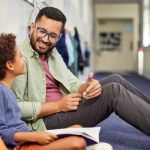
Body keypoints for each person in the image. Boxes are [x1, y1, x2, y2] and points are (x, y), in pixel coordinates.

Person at [11, 7, 150, 137]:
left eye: (53, 36)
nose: (46, 40)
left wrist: (88, 87)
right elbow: (15, 108)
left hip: (67, 105)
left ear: (59, 36)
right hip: (45, 122)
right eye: (42, 31)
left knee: (116, 79)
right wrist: (58, 105)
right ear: (33, 27)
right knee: (113, 91)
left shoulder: (52, 53)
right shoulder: (18, 57)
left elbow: (71, 82)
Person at [0, 33, 87, 150]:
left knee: (78, 129)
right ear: (10, 65)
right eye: (20, 56)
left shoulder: (7, 91)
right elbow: (3, 133)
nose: (24, 59)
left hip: (29, 137)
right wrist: (35, 136)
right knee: (77, 143)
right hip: (21, 145)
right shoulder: (1, 91)